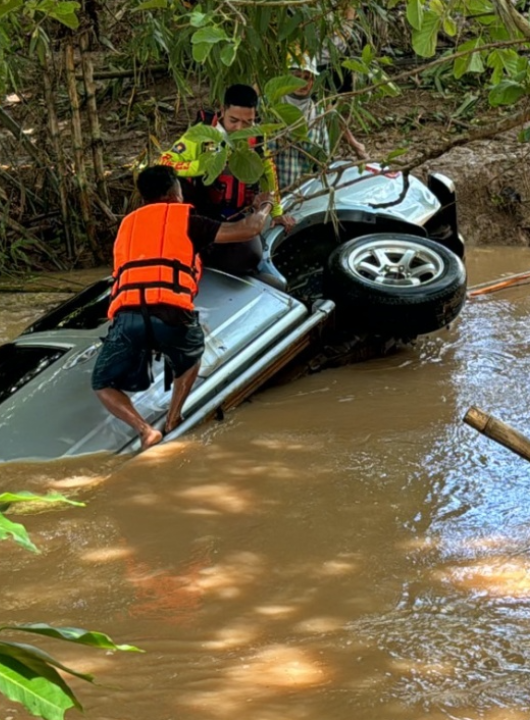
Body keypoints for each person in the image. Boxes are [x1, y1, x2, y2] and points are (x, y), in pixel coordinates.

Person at [92, 165, 275, 450]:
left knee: (102, 382)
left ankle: (144, 430)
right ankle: (173, 418)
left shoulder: (126, 225)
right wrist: (263, 206)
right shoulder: (184, 217)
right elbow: (248, 229)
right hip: (171, 311)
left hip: (127, 315)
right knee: (191, 356)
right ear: (172, 193)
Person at [158, 84, 294, 280]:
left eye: (248, 122)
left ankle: (213, 253)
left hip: (235, 217)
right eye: (233, 120)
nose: (239, 128)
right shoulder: (202, 133)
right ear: (222, 111)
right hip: (202, 214)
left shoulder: (256, 136)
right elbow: (164, 162)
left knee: (250, 256)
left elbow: (268, 171)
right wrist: (205, 165)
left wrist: (277, 212)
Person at [273, 55, 370, 192]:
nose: (302, 83)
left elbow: (323, 155)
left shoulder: (317, 111)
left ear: (313, 80)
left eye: (307, 78)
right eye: (296, 77)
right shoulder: (271, 107)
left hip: (304, 192)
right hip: (274, 193)